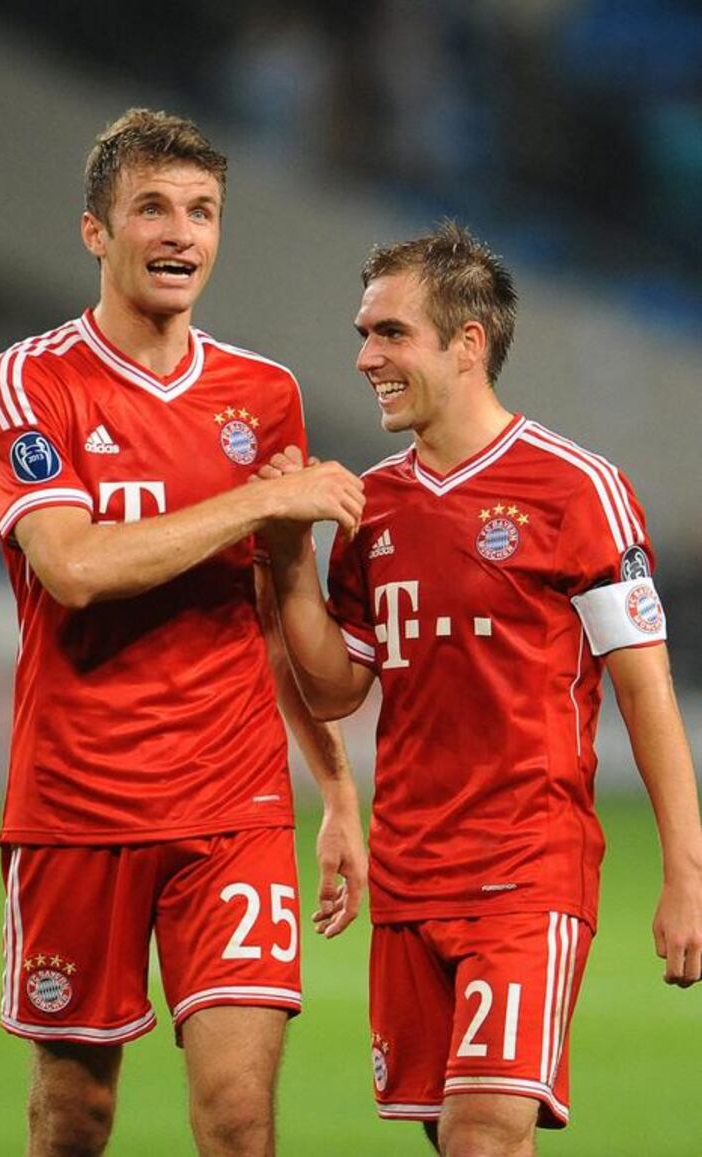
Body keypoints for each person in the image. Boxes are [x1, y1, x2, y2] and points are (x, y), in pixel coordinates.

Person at [260, 220, 702, 1157]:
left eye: (389, 333)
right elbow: (338, 686)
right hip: (412, 873)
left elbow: (647, 690)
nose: (366, 356)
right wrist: (290, 554)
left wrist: (687, 875)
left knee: (481, 1136)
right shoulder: (370, 507)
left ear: (468, 344)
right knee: (452, 1134)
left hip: (527, 865)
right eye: (362, 334)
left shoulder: (578, 489)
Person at [0, 108, 367, 1157]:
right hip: (77, 802)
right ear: (96, 230)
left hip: (227, 803)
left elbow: (275, 618)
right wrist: (248, 504)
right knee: (75, 1116)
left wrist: (332, 789)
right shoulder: (30, 382)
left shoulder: (263, 393)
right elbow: (75, 566)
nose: (180, 232)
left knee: (237, 1116)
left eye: (202, 211)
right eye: (152, 206)